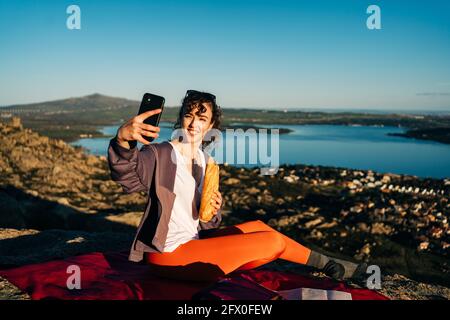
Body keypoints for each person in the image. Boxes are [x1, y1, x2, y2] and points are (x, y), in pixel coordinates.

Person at [107, 90, 367, 282]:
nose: (193, 123)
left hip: (194, 241)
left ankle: (330, 263)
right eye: (188, 115)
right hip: (169, 254)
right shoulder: (161, 153)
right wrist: (123, 140)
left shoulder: (204, 160)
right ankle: (333, 266)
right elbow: (127, 177)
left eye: (201, 118)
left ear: (211, 126)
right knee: (273, 241)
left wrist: (212, 209)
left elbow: (206, 224)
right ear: (181, 120)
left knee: (259, 228)